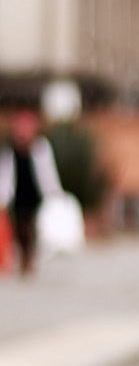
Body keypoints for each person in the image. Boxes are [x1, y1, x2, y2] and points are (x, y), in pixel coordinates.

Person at [0, 109, 63, 276]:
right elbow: (5, 176)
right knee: (19, 227)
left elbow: (47, 173)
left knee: (31, 227)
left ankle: (29, 259)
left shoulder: (41, 149)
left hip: (34, 195)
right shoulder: (10, 152)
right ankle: (23, 258)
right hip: (17, 195)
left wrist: (54, 192)